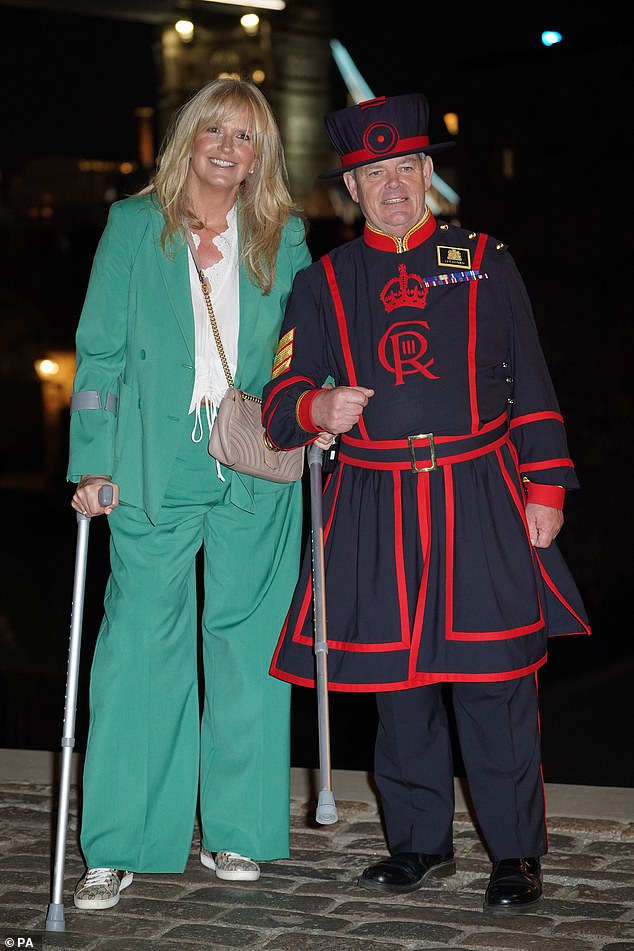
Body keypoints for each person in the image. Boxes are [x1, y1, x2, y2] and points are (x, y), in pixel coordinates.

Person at [262, 92, 591, 914]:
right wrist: (314, 408)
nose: (392, 186)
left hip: (479, 489)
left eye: (404, 167)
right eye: (373, 173)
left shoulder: (483, 259)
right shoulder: (324, 281)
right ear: (351, 188)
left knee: (495, 679)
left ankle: (514, 851)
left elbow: (532, 380)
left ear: (428, 173)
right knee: (397, 686)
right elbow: (281, 396)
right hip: (373, 499)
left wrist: (544, 484)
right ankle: (417, 841)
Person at [67, 77, 311, 910]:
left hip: (252, 466)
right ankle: (121, 842)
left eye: (245, 136)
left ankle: (237, 829)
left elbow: (305, 350)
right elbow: (98, 355)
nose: (227, 146)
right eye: (215, 129)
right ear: (188, 139)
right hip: (148, 466)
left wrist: (315, 407)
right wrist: (91, 462)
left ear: (259, 156)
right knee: (138, 646)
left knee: (247, 651)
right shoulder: (134, 227)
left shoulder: (285, 233)